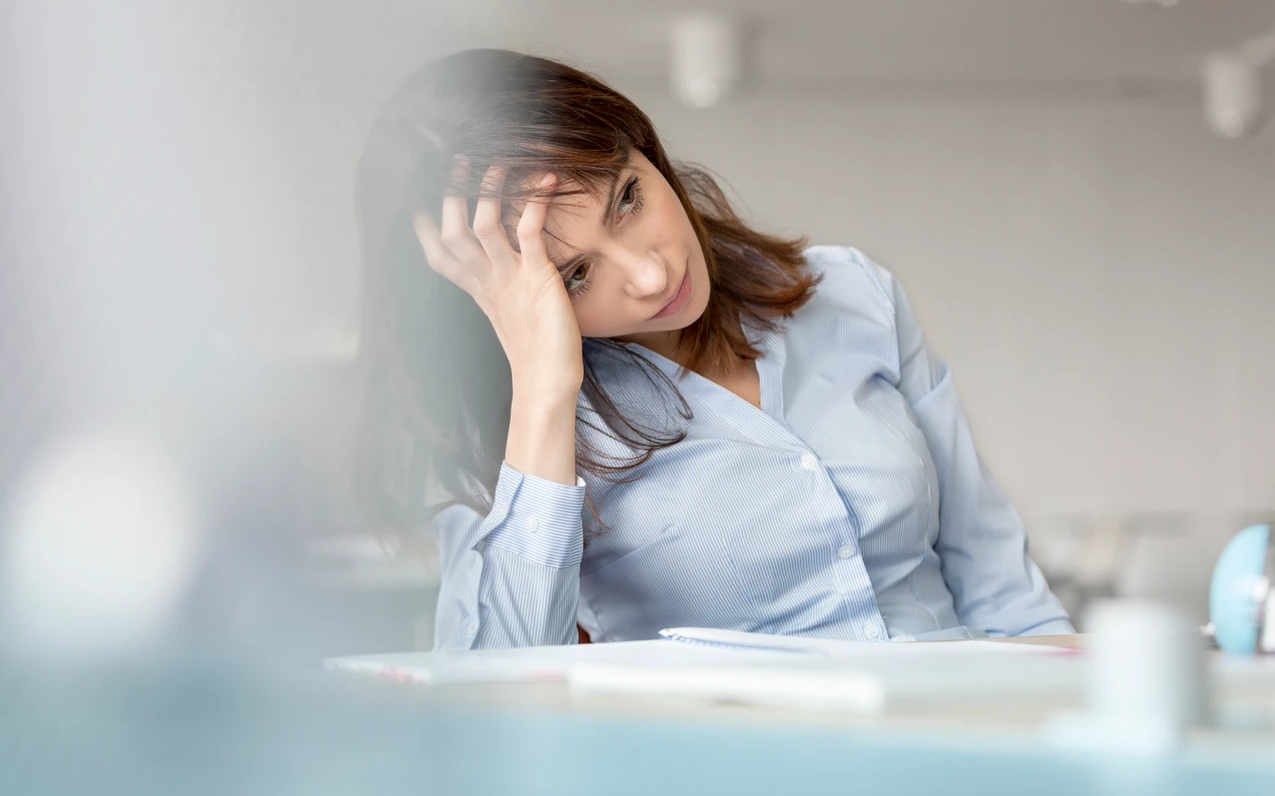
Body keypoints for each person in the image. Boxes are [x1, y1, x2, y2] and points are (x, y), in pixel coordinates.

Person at [354, 49, 1073, 650]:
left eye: (628, 200)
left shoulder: (850, 292)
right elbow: (492, 694)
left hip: (966, 756)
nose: (650, 273)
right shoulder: (507, 434)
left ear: (645, 148)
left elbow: (1001, 588)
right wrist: (544, 388)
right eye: (574, 274)